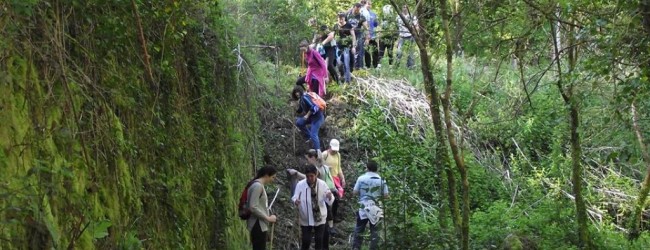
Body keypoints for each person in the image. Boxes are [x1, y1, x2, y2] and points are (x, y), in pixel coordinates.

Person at [292, 165, 335, 250]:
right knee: (306, 240)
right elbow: (295, 197)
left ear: (316, 175)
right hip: (306, 217)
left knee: (319, 240)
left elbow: (329, 200)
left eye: (312, 176)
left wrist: (329, 196)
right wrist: (296, 201)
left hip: (320, 217)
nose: (310, 178)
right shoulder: (300, 185)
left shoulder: (322, 184)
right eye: (308, 176)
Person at [352, 160, 389, 250]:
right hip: (376, 207)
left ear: (367, 168)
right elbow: (386, 195)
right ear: (377, 169)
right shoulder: (381, 180)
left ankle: (356, 248)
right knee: (375, 231)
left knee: (359, 228)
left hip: (363, 206)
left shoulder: (361, 178)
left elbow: (355, 192)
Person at [247, 166, 278, 250]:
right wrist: (268, 218)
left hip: (259, 224)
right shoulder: (257, 186)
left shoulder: (258, 185)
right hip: (257, 224)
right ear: (266, 175)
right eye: (273, 177)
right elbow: (252, 207)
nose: (273, 180)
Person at [292, 86, 325, 155]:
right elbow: (300, 110)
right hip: (311, 117)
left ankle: (318, 152)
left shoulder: (305, 97)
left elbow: (313, 106)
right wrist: (294, 108)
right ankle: (309, 137)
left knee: (314, 134)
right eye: (295, 93)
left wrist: (307, 115)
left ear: (300, 91)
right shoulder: (301, 99)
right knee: (299, 122)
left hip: (317, 117)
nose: (297, 94)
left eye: (297, 92)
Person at [322, 139, 345, 225]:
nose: (335, 151)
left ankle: (333, 217)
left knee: (336, 199)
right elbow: (320, 166)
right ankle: (326, 219)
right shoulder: (325, 154)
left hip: (335, 179)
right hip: (326, 179)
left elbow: (339, 168)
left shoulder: (338, 155)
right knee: (327, 199)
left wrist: (342, 178)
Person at [334, 12, 356, 84]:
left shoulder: (348, 25)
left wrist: (353, 46)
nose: (340, 20)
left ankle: (348, 81)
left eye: (342, 19)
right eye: (339, 19)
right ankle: (342, 76)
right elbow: (332, 36)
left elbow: (353, 36)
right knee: (339, 64)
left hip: (347, 47)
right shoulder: (336, 26)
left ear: (344, 18)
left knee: (347, 64)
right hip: (339, 48)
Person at [347, 3, 370, 70]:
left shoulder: (361, 17)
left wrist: (367, 38)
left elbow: (366, 28)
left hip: (358, 35)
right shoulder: (348, 15)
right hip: (348, 35)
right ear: (353, 7)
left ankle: (358, 68)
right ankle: (349, 67)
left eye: (359, 10)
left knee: (359, 52)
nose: (357, 11)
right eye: (356, 9)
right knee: (348, 51)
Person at [395, 4, 419, 69]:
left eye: (406, 7)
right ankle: (396, 66)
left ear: (408, 8)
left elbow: (416, 27)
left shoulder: (412, 16)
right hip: (401, 36)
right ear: (401, 8)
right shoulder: (398, 17)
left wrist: (414, 32)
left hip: (410, 36)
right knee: (399, 52)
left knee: (410, 52)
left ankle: (410, 67)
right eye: (403, 7)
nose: (405, 8)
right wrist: (397, 38)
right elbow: (397, 28)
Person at [363, 1, 380, 68]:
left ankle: (375, 65)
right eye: (368, 4)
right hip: (365, 35)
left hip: (373, 35)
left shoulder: (373, 14)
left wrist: (377, 22)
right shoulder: (362, 13)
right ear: (365, 4)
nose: (369, 5)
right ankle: (368, 65)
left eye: (370, 4)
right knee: (366, 51)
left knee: (375, 50)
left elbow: (376, 25)